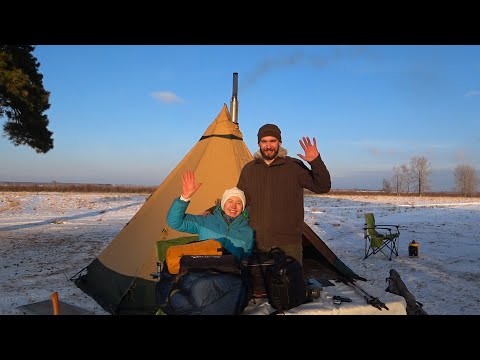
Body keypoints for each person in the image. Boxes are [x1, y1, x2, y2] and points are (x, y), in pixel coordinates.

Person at [237, 123, 331, 264]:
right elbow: (240, 200)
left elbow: (322, 186)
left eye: (272, 141)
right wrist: (212, 211)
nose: (268, 146)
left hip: (288, 244)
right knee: (260, 284)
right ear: (259, 143)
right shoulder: (249, 169)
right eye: (264, 141)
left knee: (290, 284)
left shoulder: (294, 166)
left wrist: (316, 161)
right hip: (257, 243)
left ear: (279, 142)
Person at [167, 170, 254, 261]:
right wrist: (185, 197)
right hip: (204, 272)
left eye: (239, 203)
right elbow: (175, 223)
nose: (233, 206)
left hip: (230, 273)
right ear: (223, 204)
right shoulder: (206, 221)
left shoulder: (248, 232)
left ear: (243, 207)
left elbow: (247, 260)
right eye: (230, 201)